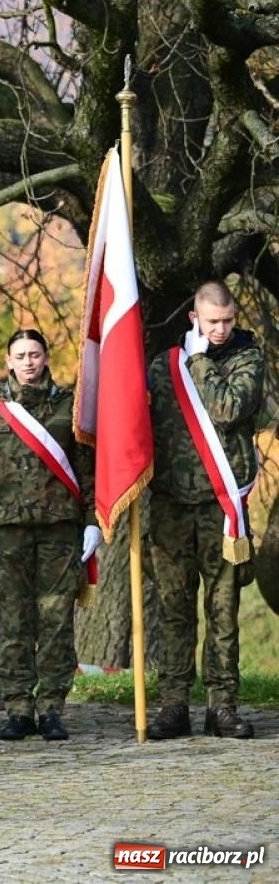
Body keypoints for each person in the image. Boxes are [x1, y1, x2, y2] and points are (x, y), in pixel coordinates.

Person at [0, 329, 97, 742]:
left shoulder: (70, 406)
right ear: (8, 361)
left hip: (59, 531)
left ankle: (52, 709)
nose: (28, 363)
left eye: (34, 355)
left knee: (56, 623)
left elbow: (88, 471)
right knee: (14, 623)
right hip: (8, 534)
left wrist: (92, 520)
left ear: (46, 357)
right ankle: (18, 708)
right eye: (20, 356)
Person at [146, 280, 264, 739]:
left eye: (228, 320)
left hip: (221, 508)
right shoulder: (164, 367)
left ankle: (223, 707)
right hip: (171, 506)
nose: (221, 329)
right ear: (194, 318)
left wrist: (198, 360)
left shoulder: (246, 359)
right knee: (174, 610)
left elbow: (227, 408)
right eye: (212, 321)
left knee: (223, 611)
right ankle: (174, 705)